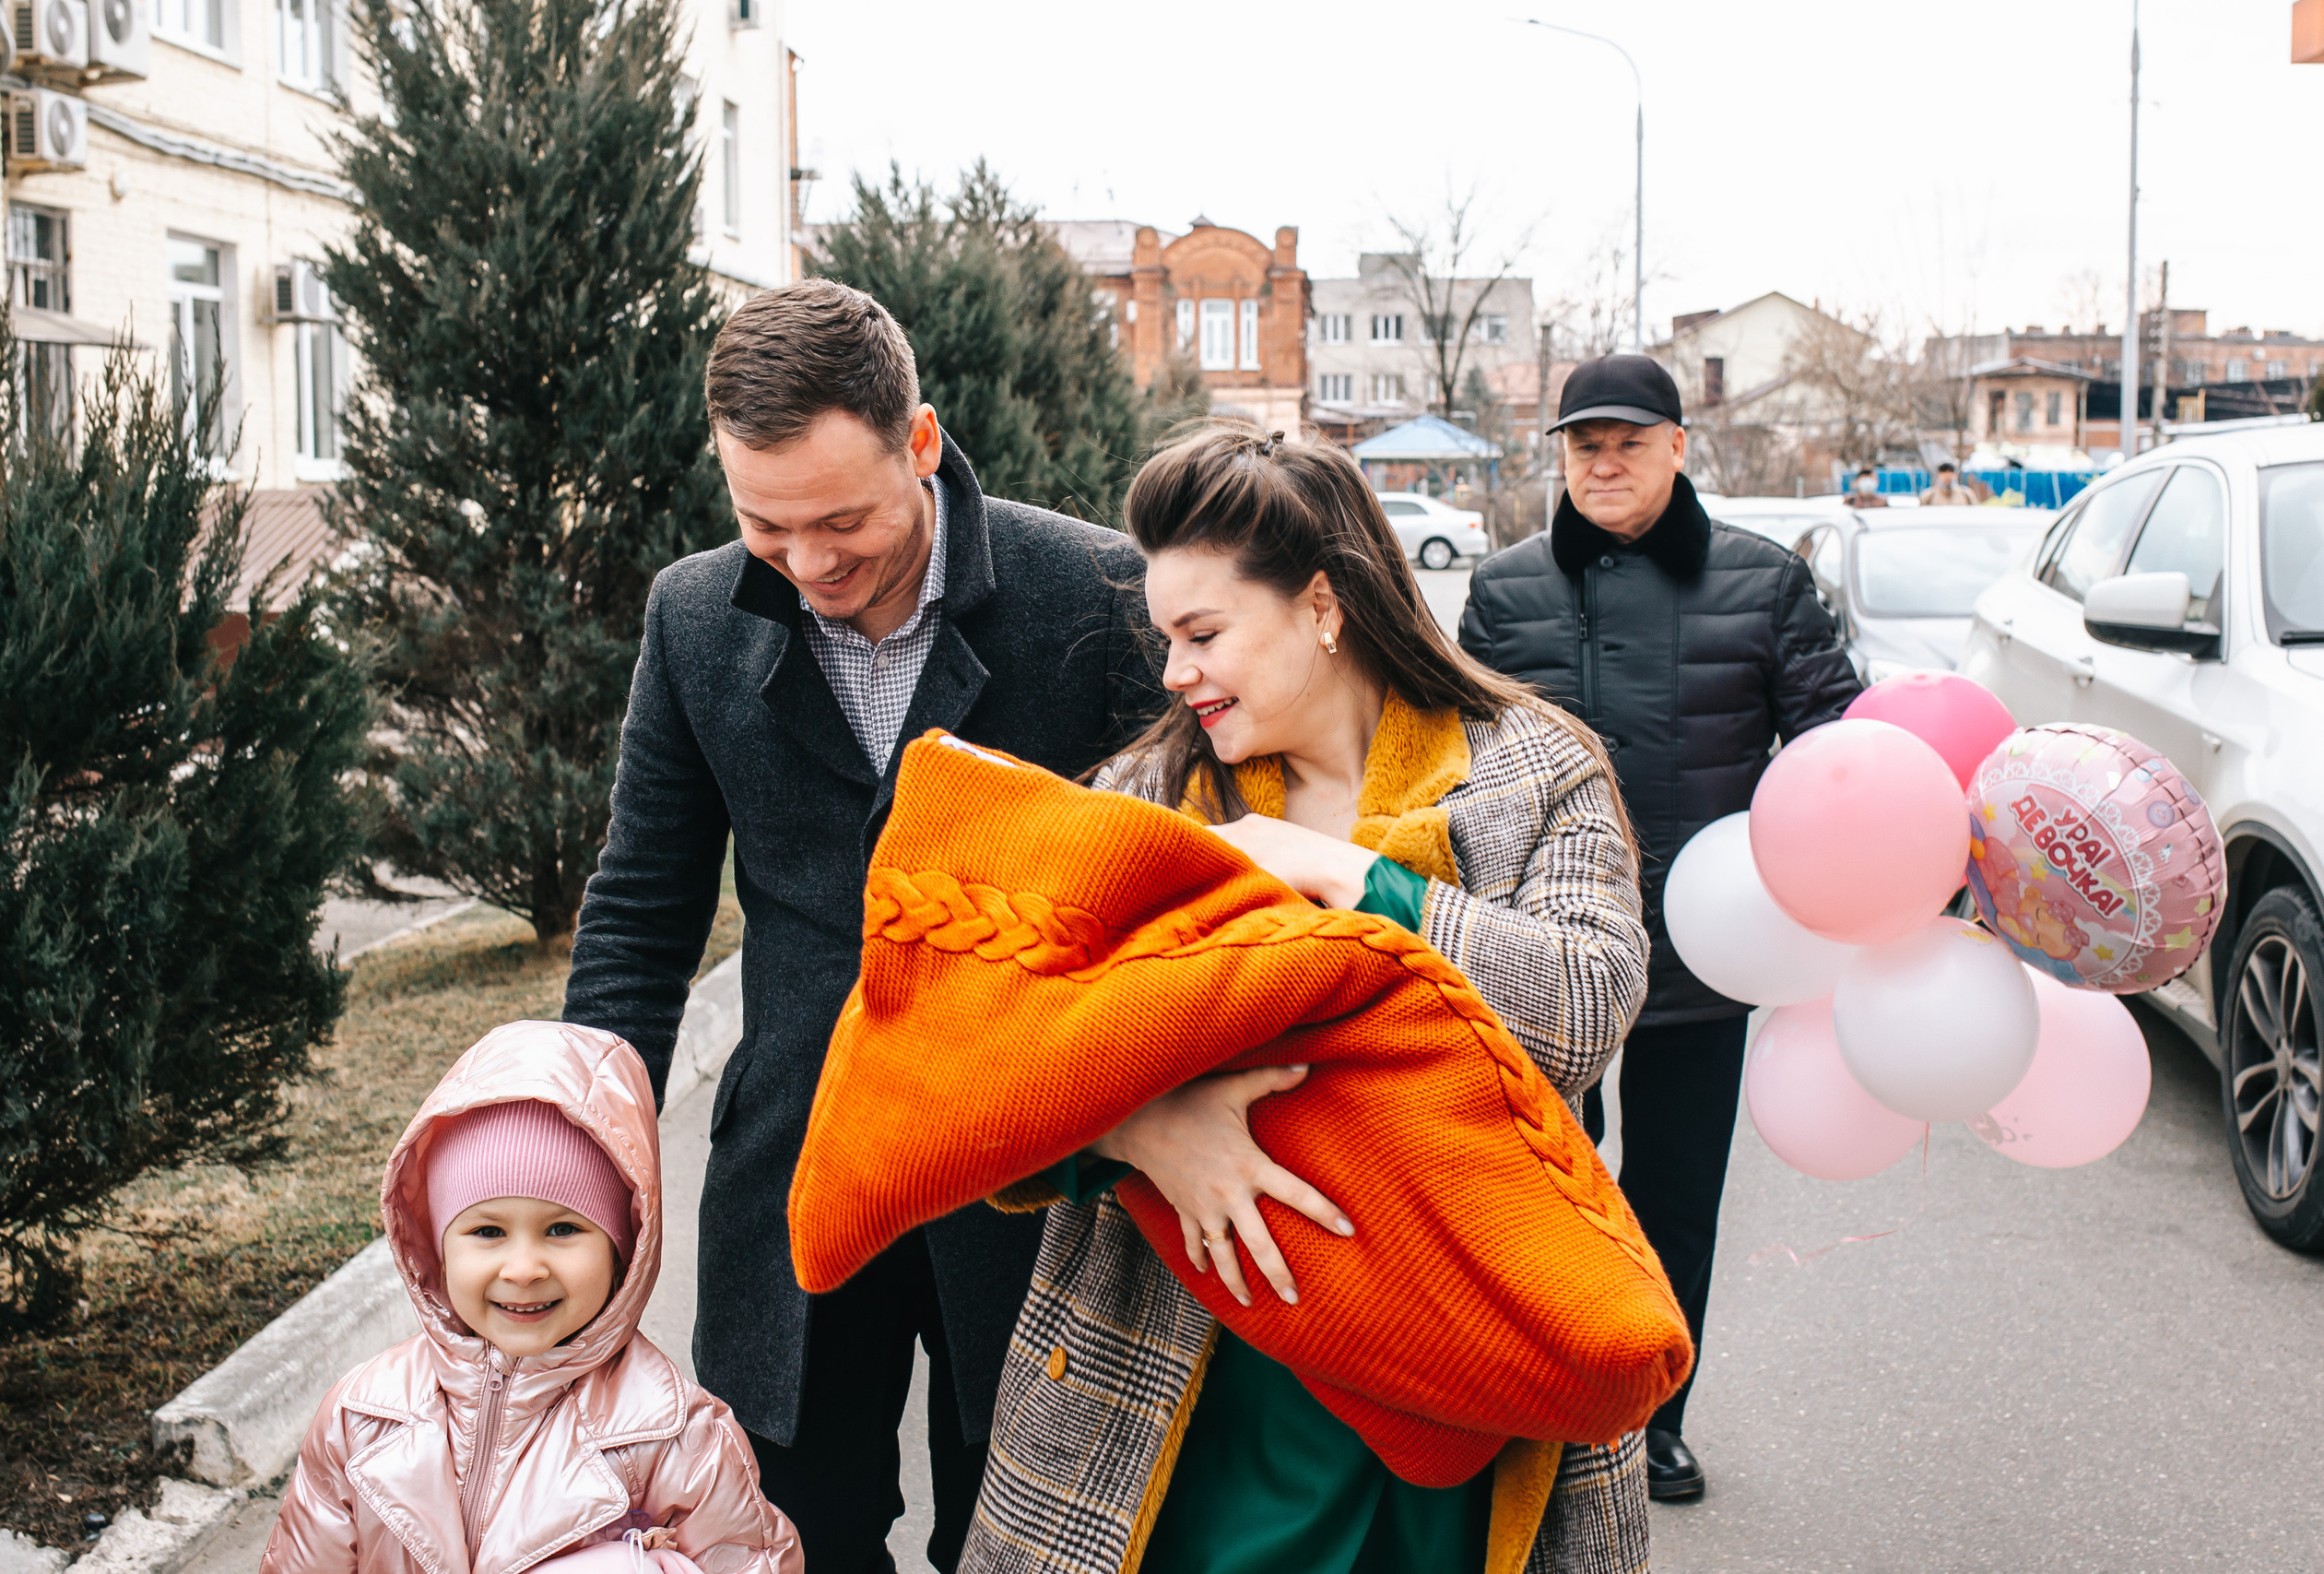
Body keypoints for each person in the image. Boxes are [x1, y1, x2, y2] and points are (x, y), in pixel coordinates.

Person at [958, 422, 1656, 1574]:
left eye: (1203, 634)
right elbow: (984, 1061)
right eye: (1163, 637)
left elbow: (1581, 1012)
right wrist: (1144, 1130)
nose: (1174, 672)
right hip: (1188, 1385)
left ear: (1322, 605)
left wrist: (1351, 880)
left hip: (1458, 1379)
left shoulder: (1537, 770)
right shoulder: (1147, 795)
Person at [560, 280, 1160, 1571]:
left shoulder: (1100, 596)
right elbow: (641, 914)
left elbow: (1177, 907)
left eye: (845, 520)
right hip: (796, 1170)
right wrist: (573, 1156)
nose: (813, 563)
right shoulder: (693, 613)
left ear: (923, 443)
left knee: (1013, 1535)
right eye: (766, 524)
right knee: (789, 1530)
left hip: (1031, 1178)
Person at [1458, 354, 1861, 1503]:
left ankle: (1650, 1420)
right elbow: (1464, 761)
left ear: (1679, 446)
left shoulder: (1762, 584)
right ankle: (1551, 1405)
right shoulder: (1505, 589)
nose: (1604, 460)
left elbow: (1839, 755)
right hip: (1542, 956)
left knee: (1676, 1199)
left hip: (1706, 959)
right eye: (1584, 442)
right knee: (1545, 1189)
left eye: (1628, 439)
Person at [261, 1021, 802, 1574]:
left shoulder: (674, 1436)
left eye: (564, 1230)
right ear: (437, 1249)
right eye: (488, 1232)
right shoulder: (364, 1416)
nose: (523, 1270)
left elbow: (753, 1562)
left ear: (623, 1249)